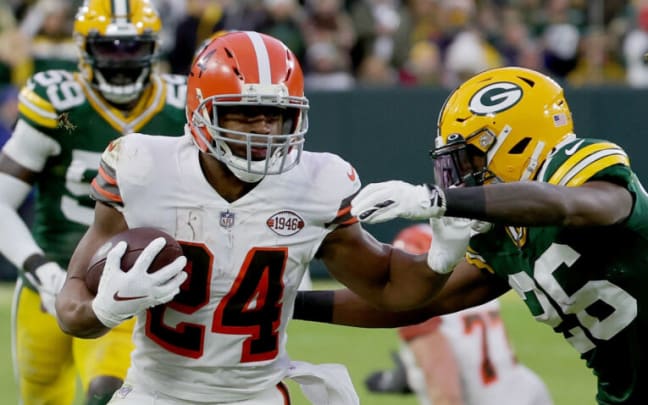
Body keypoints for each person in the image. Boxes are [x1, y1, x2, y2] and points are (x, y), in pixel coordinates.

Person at [54, 30, 455, 404]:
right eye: (245, 113)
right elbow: (72, 308)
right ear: (200, 112)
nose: (263, 128)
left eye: (275, 114)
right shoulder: (142, 169)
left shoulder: (317, 184)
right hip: (155, 392)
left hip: (256, 395)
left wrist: (443, 254)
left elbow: (388, 287)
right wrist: (104, 309)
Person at [293, 66, 648, 404]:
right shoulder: (502, 237)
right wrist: (287, 305)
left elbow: (573, 206)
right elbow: (418, 300)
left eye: (471, 155)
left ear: (517, 143)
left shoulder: (578, 166)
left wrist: (439, 200)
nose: (462, 174)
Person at [0, 1, 187, 404]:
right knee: (42, 396)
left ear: (154, 48)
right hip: (46, 277)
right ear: (85, 49)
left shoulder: (180, 108)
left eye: (132, 48)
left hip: (125, 278)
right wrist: (41, 269)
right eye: (109, 48)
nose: (121, 61)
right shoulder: (57, 103)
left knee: (109, 391)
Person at [366, 223, 554, 405]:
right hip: (525, 390)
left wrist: (426, 370)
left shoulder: (417, 307)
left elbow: (446, 395)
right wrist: (414, 376)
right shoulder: (471, 291)